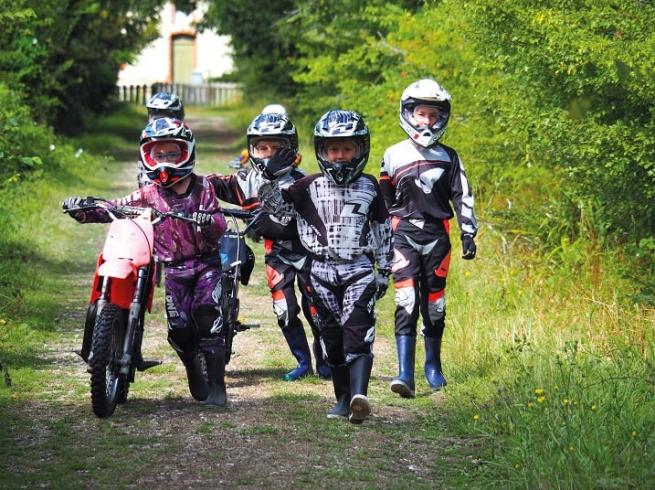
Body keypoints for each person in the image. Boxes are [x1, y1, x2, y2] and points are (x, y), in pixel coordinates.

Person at [63, 117, 231, 406]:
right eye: (158, 154)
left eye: (172, 153)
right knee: (178, 330)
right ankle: (192, 362)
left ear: (186, 152)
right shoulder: (149, 194)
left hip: (206, 264)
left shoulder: (204, 188)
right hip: (175, 269)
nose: (165, 161)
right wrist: (85, 210)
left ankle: (217, 386)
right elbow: (115, 208)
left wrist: (208, 222)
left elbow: (219, 223)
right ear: (148, 156)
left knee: (208, 318)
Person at [258, 109, 391, 424]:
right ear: (322, 151)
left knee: (359, 332)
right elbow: (274, 209)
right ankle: (342, 399)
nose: (341, 156)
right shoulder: (306, 186)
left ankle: (360, 397)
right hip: (318, 272)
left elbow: (383, 231)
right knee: (331, 339)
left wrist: (384, 270)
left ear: (361, 149)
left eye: (348, 149)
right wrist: (271, 177)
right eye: (334, 149)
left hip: (358, 268)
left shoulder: (371, 186)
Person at [208, 110, 331, 381]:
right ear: (252, 148)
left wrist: (277, 180)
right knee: (284, 310)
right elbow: (210, 184)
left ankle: (325, 361)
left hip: (310, 254)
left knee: (317, 311)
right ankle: (302, 362)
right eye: (262, 147)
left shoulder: (305, 181)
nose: (269, 154)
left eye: (277, 148)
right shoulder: (247, 180)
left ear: (291, 148)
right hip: (276, 256)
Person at [379, 78, 478, 398]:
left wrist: (469, 231)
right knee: (406, 301)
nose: (428, 121)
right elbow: (382, 202)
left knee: (435, 305)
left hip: (438, 237)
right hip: (404, 235)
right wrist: (378, 240)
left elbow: (463, 196)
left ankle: (433, 367)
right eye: (422, 113)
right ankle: (405, 373)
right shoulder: (392, 154)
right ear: (409, 113)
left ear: (443, 117)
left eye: (434, 115)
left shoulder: (450, 157)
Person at [137, 92, 186, 187]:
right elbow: (142, 168)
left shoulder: (182, 133)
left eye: (165, 115)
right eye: (156, 115)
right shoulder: (147, 133)